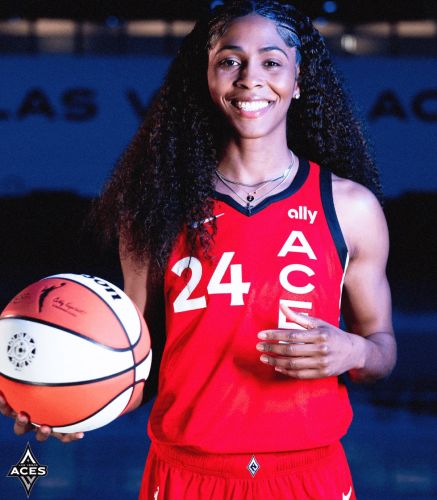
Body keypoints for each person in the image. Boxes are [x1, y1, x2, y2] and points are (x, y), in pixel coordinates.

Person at [0, 1, 396, 498]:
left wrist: (354, 350)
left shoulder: (350, 207)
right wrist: (64, 399)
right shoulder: (154, 209)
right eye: (230, 61)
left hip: (309, 474)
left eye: (271, 61)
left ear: (298, 80)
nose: (250, 78)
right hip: (186, 475)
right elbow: (134, 366)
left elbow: (382, 348)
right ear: (206, 78)